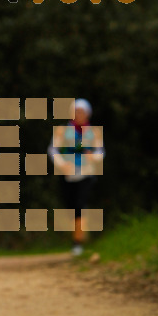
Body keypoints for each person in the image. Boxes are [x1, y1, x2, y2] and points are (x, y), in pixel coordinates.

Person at [48, 98, 104, 255]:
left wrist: (94, 157)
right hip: (67, 174)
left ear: (88, 114)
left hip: (86, 173)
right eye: (76, 111)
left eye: (82, 111)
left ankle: (77, 242)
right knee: (71, 207)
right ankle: (80, 234)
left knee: (80, 205)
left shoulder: (94, 132)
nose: (79, 114)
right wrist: (61, 164)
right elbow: (52, 150)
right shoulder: (61, 130)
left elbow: (100, 151)